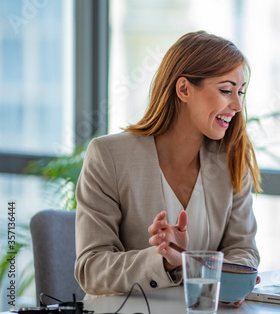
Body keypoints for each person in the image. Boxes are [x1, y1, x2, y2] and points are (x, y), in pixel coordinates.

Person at [74, 31, 261, 305]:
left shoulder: (231, 160)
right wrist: (165, 261)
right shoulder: (108, 156)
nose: (236, 106)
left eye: (240, 92)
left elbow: (243, 249)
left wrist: (232, 278)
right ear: (184, 89)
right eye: (225, 90)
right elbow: (91, 269)